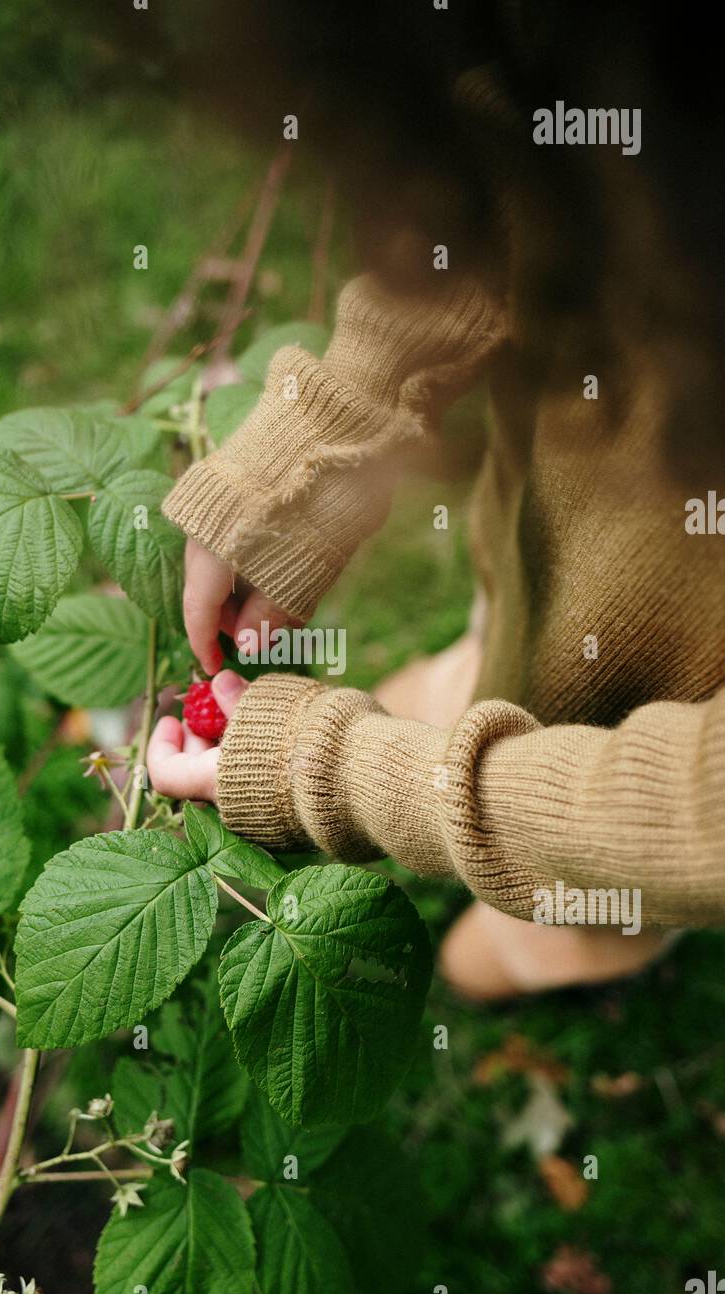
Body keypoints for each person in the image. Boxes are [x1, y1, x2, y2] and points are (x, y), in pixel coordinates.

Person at [145, 5, 725, 1001]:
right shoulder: (621, 62)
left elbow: (683, 818)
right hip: (540, 575)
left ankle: (566, 944)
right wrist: (298, 472)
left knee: (558, 912)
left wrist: (333, 771)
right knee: (501, 649)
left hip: (639, 795)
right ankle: (476, 685)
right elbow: (504, 203)